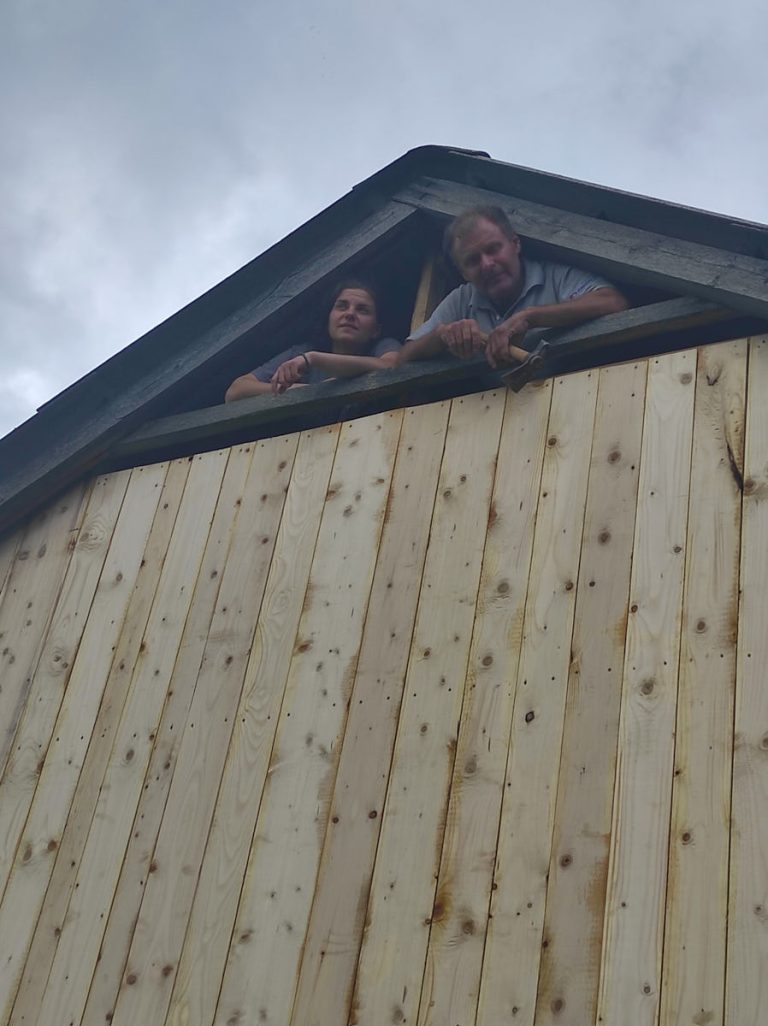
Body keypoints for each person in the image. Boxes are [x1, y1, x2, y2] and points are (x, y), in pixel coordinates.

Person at [398, 206, 629, 373]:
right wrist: (442, 336)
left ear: (515, 244)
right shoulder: (460, 300)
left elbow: (613, 302)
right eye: (473, 260)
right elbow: (403, 358)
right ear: (464, 273)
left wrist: (529, 318)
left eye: (493, 249)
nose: (487, 264)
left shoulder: (554, 276)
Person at [225, 280, 400, 402]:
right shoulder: (300, 351)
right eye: (342, 306)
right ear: (329, 318)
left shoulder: (383, 346)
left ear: (376, 330)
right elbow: (236, 391)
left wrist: (314, 359)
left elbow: (392, 366)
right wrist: (302, 391)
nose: (350, 314)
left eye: (362, 310)